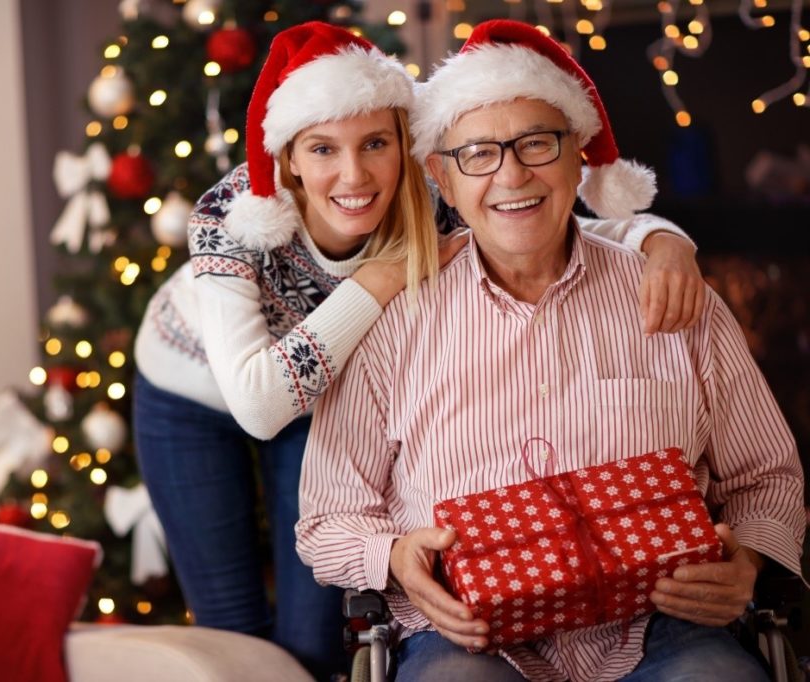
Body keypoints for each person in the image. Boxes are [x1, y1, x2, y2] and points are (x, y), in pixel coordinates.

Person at [133, 21, 705, 681]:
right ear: (287, 156)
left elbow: (552, 219)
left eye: (376, 143)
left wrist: (663, 238)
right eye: (322, 148)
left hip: (320, 397)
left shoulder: (432, 199)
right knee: (232, 639)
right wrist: (376, 284)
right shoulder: (233, 214)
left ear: (405, 144)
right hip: (192, 394)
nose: (354, 174)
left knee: (313, 642)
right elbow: (259, 403)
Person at [295, 19, 805, 682]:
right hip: (466, 639)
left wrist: (751, 563)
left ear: (577, 156)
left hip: (664, 626)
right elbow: (328, 520)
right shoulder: (394, 319)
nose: (511, 174)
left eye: (536, 143)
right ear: (442, 179)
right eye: (478, 153)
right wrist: (394, 557)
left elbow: (767, 477)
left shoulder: (673, 295)